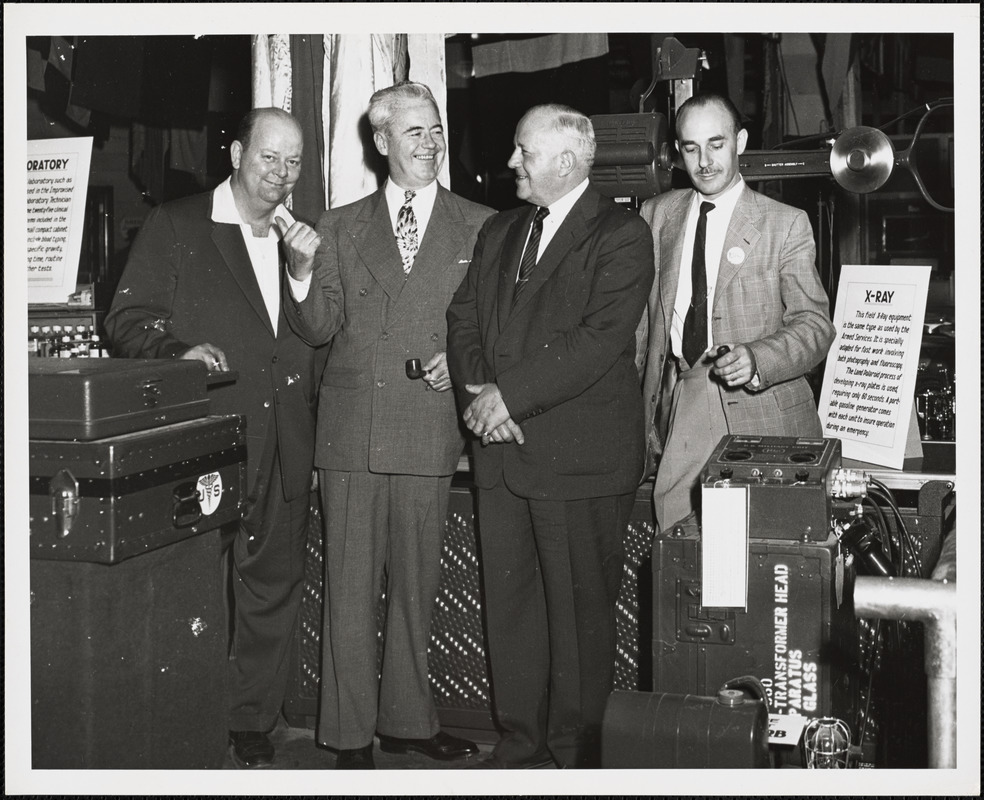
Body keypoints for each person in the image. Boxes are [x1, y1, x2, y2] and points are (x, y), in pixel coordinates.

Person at [281, 81, 492, 770]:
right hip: (351, 432)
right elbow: (317, 330)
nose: (431, 144)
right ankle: (345, 735)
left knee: (414, 588)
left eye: (436, 130)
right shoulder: (338, 226)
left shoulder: (482, 224)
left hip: (430, 427)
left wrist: (461, 368)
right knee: (347, 588)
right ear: (381, 141)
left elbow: (493, 330)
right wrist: (302, 269)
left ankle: (407, 721)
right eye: (414, 133)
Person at [104, 107, 323, 769]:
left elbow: (315, 336)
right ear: (235, 153)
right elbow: (126, 321)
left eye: (293, 162)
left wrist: (303, 273)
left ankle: (250, 720)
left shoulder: (303, 236)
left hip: (286, 438)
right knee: (197, 585)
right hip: (208, 437)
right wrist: (178, 351)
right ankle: (192, 710)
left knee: (272, 584)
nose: (281, 174)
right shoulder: (180, 223)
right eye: (268, 158)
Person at [446, 104, 655, 769]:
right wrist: (485, 399)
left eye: (523, 152)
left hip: (578, 464)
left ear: (567, 162)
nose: (511, 163)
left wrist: (510, 397)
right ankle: (518, 744)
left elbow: (596, 343)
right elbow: (462, 321)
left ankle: (574, 759)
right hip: (501, 453)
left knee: (577, 622)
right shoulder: (500, 231)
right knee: (509, 612)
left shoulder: (622, 234)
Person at [640, 93, 836, 531]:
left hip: (763, 411)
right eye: (690, 148)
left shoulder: (785, 223)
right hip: (681, 406)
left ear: (740, 141)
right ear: (676, 153)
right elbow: (642, 327)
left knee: (765, 562)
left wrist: (757, 358)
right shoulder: (656, 216)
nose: (704, 161)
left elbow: (816, 326)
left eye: (716, 144)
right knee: (681, 553)